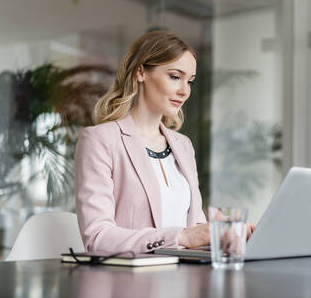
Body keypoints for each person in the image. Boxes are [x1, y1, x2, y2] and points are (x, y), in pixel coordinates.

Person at [75, 30, 253, 254]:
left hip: (185, 278)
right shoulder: (100, 140)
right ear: (141, 72)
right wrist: (180, 237)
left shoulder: (183, 145)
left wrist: (223, 233)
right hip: (129, 281)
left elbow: (193, 228)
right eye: (175, 77)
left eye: (190, 81)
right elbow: (97, 237)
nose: (184, 91)